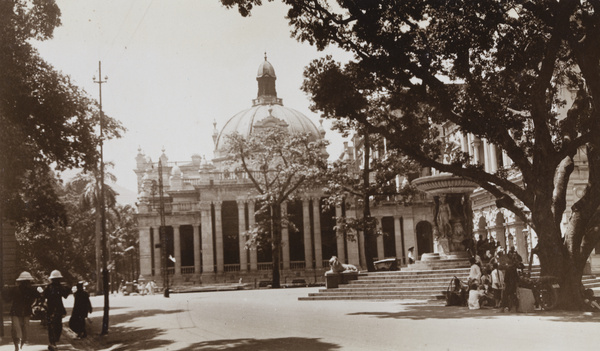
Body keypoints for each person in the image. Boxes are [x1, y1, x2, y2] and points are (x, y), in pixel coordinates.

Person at [2, 271, 40, 351]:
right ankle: (17, 345)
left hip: (24, 312)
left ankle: (20, 344)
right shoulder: (16, 290)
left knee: (23, 330)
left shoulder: (30, 290)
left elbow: (7, 299)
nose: (25, 284)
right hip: (17, 311)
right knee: (17, 329)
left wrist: (39, 291)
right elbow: (7, 299)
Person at [43, 270, 71, 351]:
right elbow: (65, 295)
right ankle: (54, 342)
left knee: (51, 326)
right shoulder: (60, 287)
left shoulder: (49, 287)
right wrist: (68, 288)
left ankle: (52, 343)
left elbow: (44, 296)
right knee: (57, 325)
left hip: (50, 309)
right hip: (58, 309)